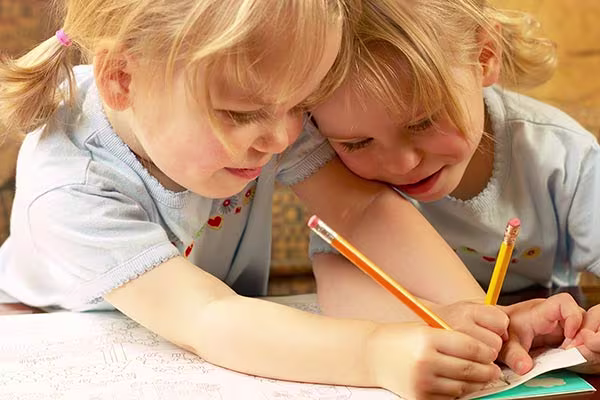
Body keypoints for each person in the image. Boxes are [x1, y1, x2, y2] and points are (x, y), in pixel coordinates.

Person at [0, 0, 518, 398]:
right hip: (57, 342)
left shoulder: (263, 95)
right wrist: (374, 354)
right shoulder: (70, 185)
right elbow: (205, 317)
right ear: (122, 79)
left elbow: (361, 210)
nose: (281, 138)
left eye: (301, 105)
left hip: (218, 330)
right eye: (239, 115)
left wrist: (475, 317)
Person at [309, 0, 600, 376]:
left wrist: (592, 333)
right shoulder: (342, 177)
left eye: (423, 122)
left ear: (484, 57)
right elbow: (336, 283)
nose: (402, 164)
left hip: (547, 346)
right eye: (358, 143)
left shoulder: (562, 155)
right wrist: (443, 318)